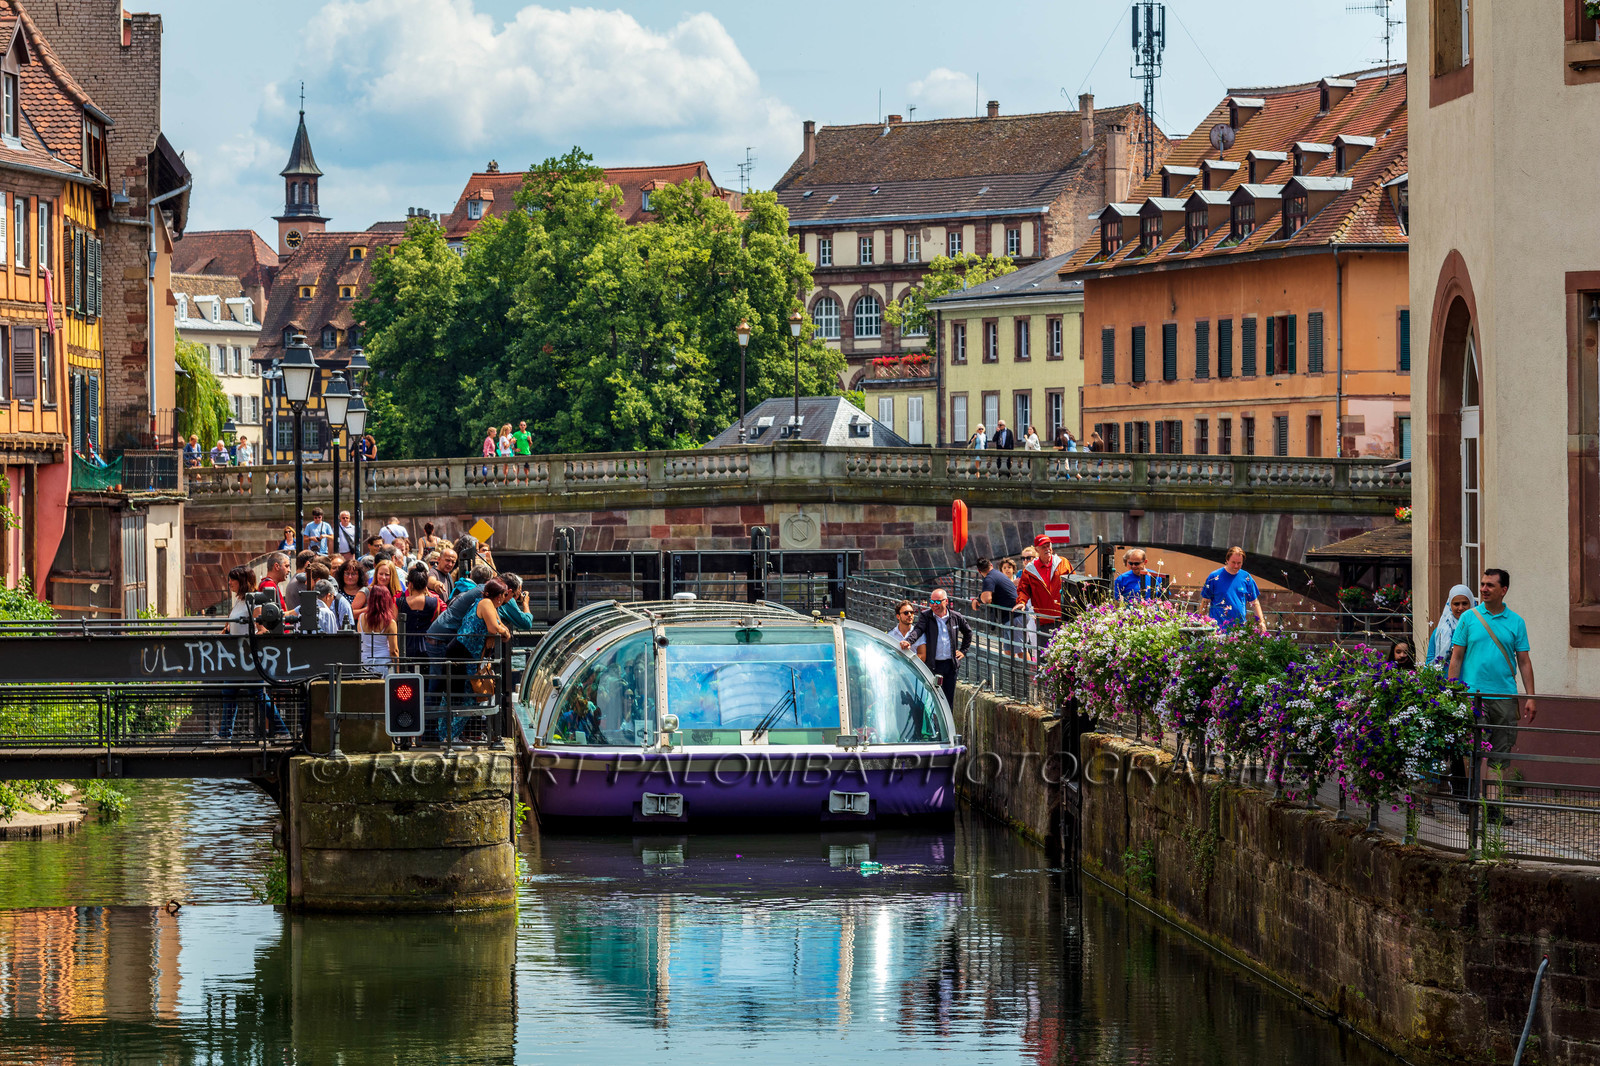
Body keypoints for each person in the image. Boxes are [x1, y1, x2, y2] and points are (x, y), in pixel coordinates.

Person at [1449, 568, 1537, 822]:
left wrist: (1531, 697)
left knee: (1499, 754)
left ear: (1503, 590)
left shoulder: (1516, 622)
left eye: (1490, 585)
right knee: (1471, 749)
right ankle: (1471, 799)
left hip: (1504, 696)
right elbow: (1456, 657)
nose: (1484, 589)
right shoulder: (1469, 618)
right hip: (1472, 695)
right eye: (1482, 584)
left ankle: (1493, 808)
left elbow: (1524, 661)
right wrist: (1451, 692)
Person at [899, 589, 971, 707]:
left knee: (948, 702)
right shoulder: (926, 616)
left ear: (946, 601)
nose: (934, 605)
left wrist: (963, 651)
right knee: (932, 700)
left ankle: (945, 725)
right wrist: (908, 641)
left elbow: (968, 633)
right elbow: (918, 630)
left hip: (950, 666)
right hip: (933, 665)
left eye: (937, 602)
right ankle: (933, 725)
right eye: (931, 602)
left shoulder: (956, 617)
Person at [1013, 534, 1074, 644]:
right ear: (1037, 550)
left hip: (1064, 617)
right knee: (1046, 656)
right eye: (1043, 547)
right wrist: (1021, 602)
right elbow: (1023, 589)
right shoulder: (1030, 570)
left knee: (1067, 655)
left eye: (1048, 545)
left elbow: (1074, 583)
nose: (1047, 549)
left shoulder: (1063, 563)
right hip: (1044, 620)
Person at [1200, 547, 1267, 633]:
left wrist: (1261, 622)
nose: (1236, 566)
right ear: (1227, 560)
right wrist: (1201, 622)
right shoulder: (1214, 577)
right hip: (1218, 629)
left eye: (1239, 563)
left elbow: (1254, 602)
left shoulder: (1246, 577)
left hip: (1239, 630)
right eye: (1233, 562)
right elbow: (1205, 601)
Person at [400, 566, 445, 659]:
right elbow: (434, 621)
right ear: (425, 586)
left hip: (404, 646)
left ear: (410, 584)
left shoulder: (398, 601)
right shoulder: (435, 601)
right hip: (426, 646)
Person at [1427, 584, 1476, 666]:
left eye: (1464, 603)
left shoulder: (1477, 628)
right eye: (1456, 604)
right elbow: (1430, 658)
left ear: (1471, 604)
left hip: (1471, 677)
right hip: (1445, 677)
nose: (1460, 608)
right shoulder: (1440, 631)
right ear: (1450, 605)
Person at [359, 582, 401, 676]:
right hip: (383, 664)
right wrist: (398, 670)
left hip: (364, 663)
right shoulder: (390, 622)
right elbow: (394, 651)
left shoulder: (361, 618)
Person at [970, 557, 1018, 636]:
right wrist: (978, 598)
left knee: (1017, 647)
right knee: (1008, 647)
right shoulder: (997, 574)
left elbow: (987, 599)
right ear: (991, 565)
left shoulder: (989, 578)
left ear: (979, 571)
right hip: (1011, 616)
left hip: (1014, 616)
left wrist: (978, 600)